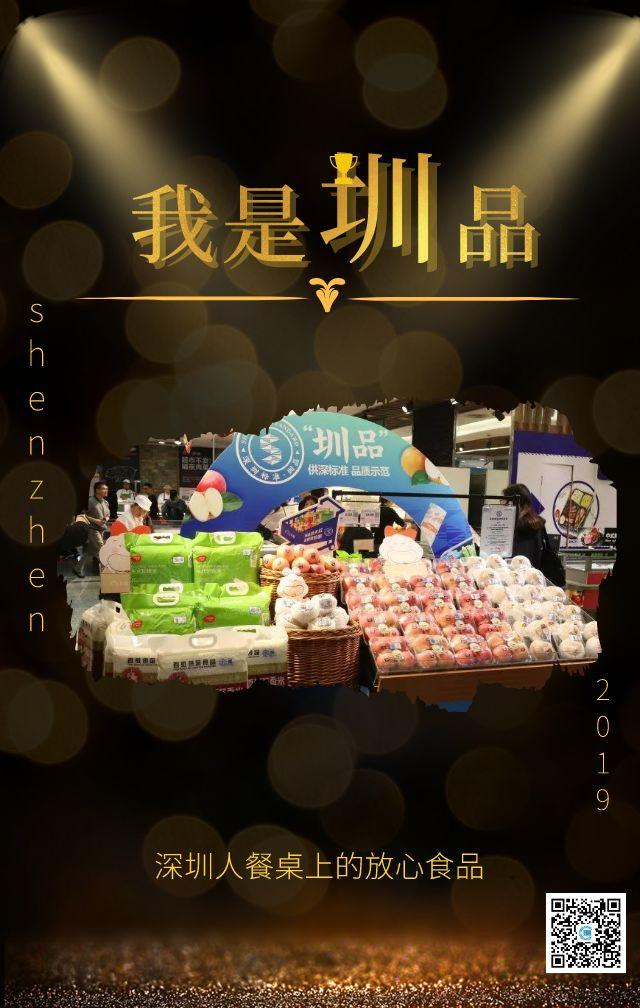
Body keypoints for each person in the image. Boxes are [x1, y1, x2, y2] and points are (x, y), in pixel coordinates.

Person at [503, 483, 546, 569]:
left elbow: (516, 561)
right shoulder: (535, 523)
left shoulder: (520, 528)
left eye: (506, 501)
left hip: (518, 574)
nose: (504, 505)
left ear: (517, 502)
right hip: (533, 572)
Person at [75, 481, 110, 577]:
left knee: (89, 551)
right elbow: (81, 515)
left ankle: (77, 569)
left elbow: (108, 515)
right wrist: (95, 520)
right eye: (104, 489)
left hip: (101, 529)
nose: (106, 491)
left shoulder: (106, 502)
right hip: (92, 529)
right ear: (97, 490)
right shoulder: (90, 501)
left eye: (107, 489)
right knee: (102, 549)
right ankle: (109, 570)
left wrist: (105, 519)